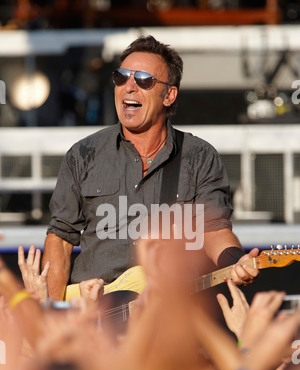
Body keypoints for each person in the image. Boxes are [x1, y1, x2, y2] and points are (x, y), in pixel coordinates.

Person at [42, 35, 259, 301]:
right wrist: (51, 313)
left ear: (169, 94)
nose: (129, 87)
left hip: (169, 315)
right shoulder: (83, 154)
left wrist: (236, 261)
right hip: (95, 317)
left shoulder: (199, 157)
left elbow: (214, 230)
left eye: (143, 80)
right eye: (121, 77)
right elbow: (60, 240)